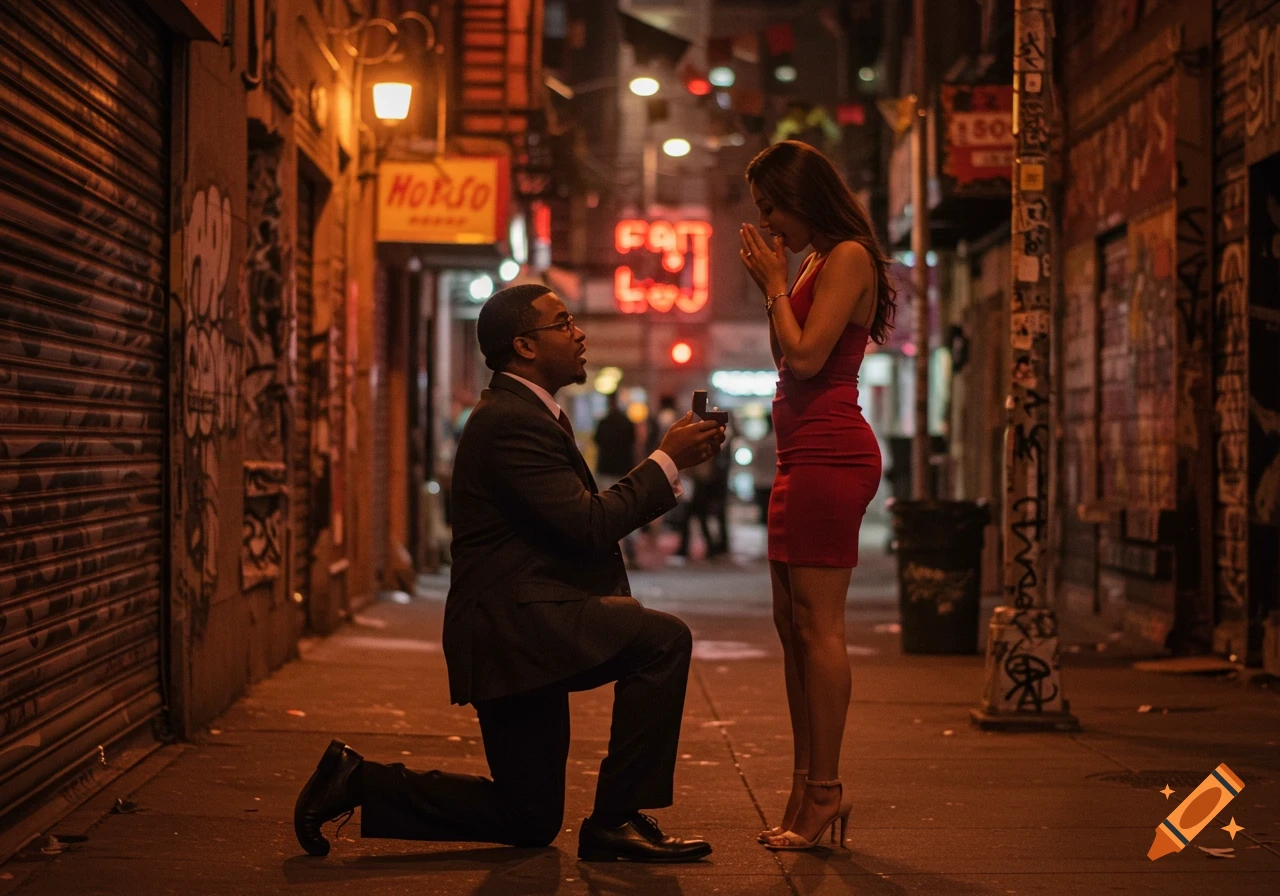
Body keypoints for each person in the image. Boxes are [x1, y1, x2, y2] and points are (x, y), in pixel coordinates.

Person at [294, 283, 726, 863]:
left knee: (529, 818)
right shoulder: (508, 422)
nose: (579, 333)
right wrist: (666, 460)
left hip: (526, 629)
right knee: (663, 641)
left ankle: (357, 783)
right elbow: (589, 523)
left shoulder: (529, 415)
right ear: (524, 345)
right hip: (515, 630)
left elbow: (567, 524)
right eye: (563, 322)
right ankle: (616, 818)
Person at [737, 140, 896, 851]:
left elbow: (805, 358)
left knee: (818, 630)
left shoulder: (850, 257)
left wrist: (774, 285)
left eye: (773, 207)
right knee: (792, 631)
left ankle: (824, 791)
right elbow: (790, 354)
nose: (768, 222)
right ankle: (806, 784)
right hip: (799, 455)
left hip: (832, 452)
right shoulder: (812, 263)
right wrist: (778, 281)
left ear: (804, 197)